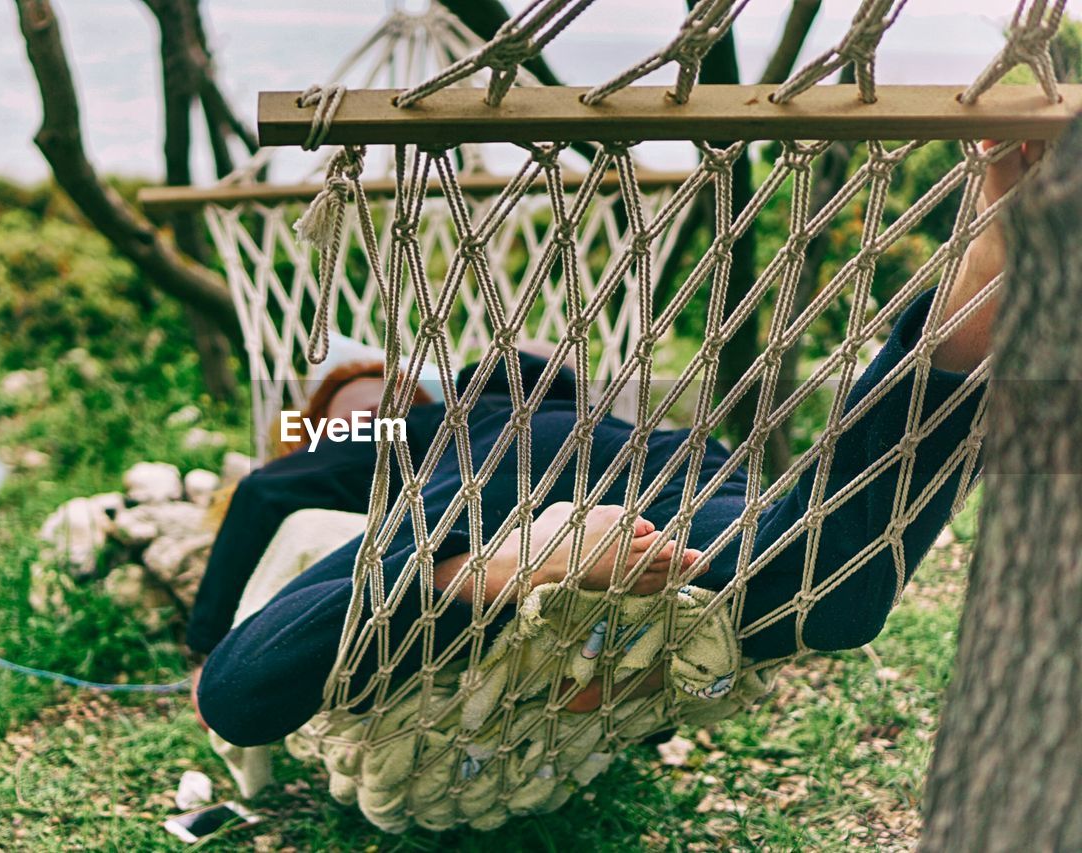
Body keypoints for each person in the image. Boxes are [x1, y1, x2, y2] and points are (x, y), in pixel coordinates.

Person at [189, 140, 1041, 748]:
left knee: (823, 561)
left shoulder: (452, 397)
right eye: (351, 404)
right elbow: (265, 520)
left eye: (370, 394)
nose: (362, 407)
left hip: (650, 466)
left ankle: (990, 253)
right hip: (535, 497)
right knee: (832, 590)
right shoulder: (390, 443)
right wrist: (507, 559)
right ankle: (991, 258)